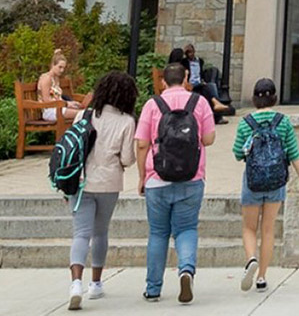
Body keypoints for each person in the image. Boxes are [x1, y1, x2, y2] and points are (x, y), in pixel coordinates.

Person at [135, 63, 216, 304]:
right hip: (192, 177)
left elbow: (141, 144)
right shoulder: (199, 102)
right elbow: (209, 139)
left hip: (157, 178)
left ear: (163, 82)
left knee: (158, 233)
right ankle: (186, 270)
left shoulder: (152, 104)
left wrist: (142, 176)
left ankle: (153, 288)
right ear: (186, 78)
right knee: (187, 229)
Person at [65, 71, 137, 310]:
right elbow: (127, 159)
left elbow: (72, 145)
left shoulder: (84, 115)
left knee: (81, 234)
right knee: (100, 233)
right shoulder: (127, 121)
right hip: (109, 183)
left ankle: (76, 283)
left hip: (82, 181)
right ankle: (95, 283)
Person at [232, 78, 299, 293]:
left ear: (255, 98)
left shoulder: (246, 122)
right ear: (274, 97)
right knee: (268, 230)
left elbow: (238, 153)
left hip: (253, 181)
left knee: (249, 227)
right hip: (276, 182)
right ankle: (262, 277)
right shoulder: (282, 121)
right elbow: (293, 152)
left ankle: (251, 259)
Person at [169, 47, 229, 124]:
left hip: (191, 86)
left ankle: (216, 108)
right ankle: (217, 111)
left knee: (209, 86)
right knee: (206, 89)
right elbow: (182, 81)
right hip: (185, 88)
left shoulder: (174, 68)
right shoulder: (180, 67)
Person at [38, 49, 90, 122]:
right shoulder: (46, 78)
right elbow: (46, 100)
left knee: (86, 111)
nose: (62, 70)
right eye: (60, 67)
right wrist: (66, 104)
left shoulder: (56, 79)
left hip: (59, 108)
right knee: (83, 113)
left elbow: (57, 97)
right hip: (50, 111)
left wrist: (71, 103)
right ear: (53, 65)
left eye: (63, 68)